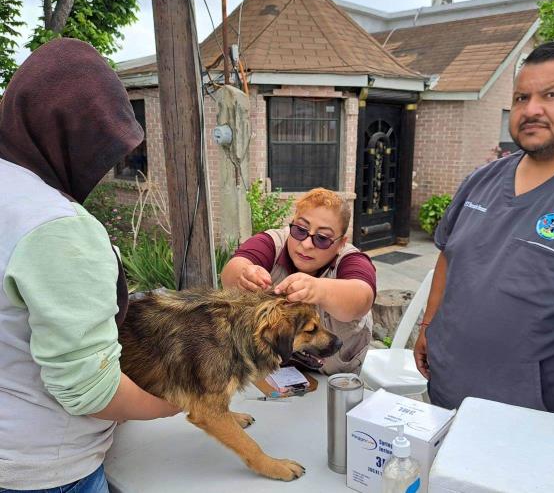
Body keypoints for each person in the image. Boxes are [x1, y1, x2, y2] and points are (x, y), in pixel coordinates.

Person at [414, 42, 554, 476]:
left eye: (551, 95)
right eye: (520, 98)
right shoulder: (483, 180)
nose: (531, 109)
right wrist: (428, 326)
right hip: (448, 404)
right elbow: (450, 256)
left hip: (542, 430)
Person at [0, 39, 179, 492]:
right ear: (70, 136)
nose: (100, 171)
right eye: (99, 153)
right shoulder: (54, 226)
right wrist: (177, 403)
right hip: (43, 466)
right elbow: (89, 392)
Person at [222, 188, 376, 374]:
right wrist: (244, 274)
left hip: (332, 378)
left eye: (322, 238)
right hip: (271, 373)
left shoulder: (351, 260)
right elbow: (233, 269)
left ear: (341, 243)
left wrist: (319, 290)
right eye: (301, 230)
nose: (306, 244)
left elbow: (362, 297)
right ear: (291, 225)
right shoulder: (272, 243)